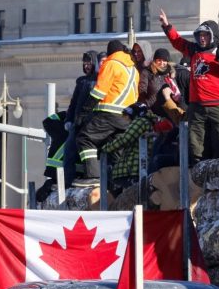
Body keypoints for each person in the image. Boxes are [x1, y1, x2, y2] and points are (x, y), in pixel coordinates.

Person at [159, 9, 219, 165]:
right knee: (196, 146)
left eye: (205, 35)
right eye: (200, 35)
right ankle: (199, 174)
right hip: (197, 107)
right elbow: (177, 41)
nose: (202, 38)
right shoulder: (194, 51)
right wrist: (167, 26)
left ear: (212, 35)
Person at [74, 40, 140, 186]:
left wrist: (84, 112)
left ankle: (93, 176)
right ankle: (119, 183)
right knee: (115, 149)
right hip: (126, 117)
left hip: (109, 113)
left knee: (85, 138)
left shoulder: (111, 64)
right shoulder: (133, 69)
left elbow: (99, 92)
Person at [61, 50, 102, 186]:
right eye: (84, 63)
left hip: (89, 124)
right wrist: (68, 120)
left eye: (89, 63)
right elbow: (74, 104)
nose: (86, 66)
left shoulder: (98, 81)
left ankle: (88, 177)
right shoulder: (82, 82)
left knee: (80, 153)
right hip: (77, 124)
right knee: (70, 154)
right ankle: (69, 182)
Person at [102, 102, 160, 197]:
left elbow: (125, 139)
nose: (127, 120)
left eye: (127, 116)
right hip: (139, 167)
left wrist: (105, 149)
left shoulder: (140, 121)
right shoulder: (151, 121)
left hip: (132, 169)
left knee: (110, 176)